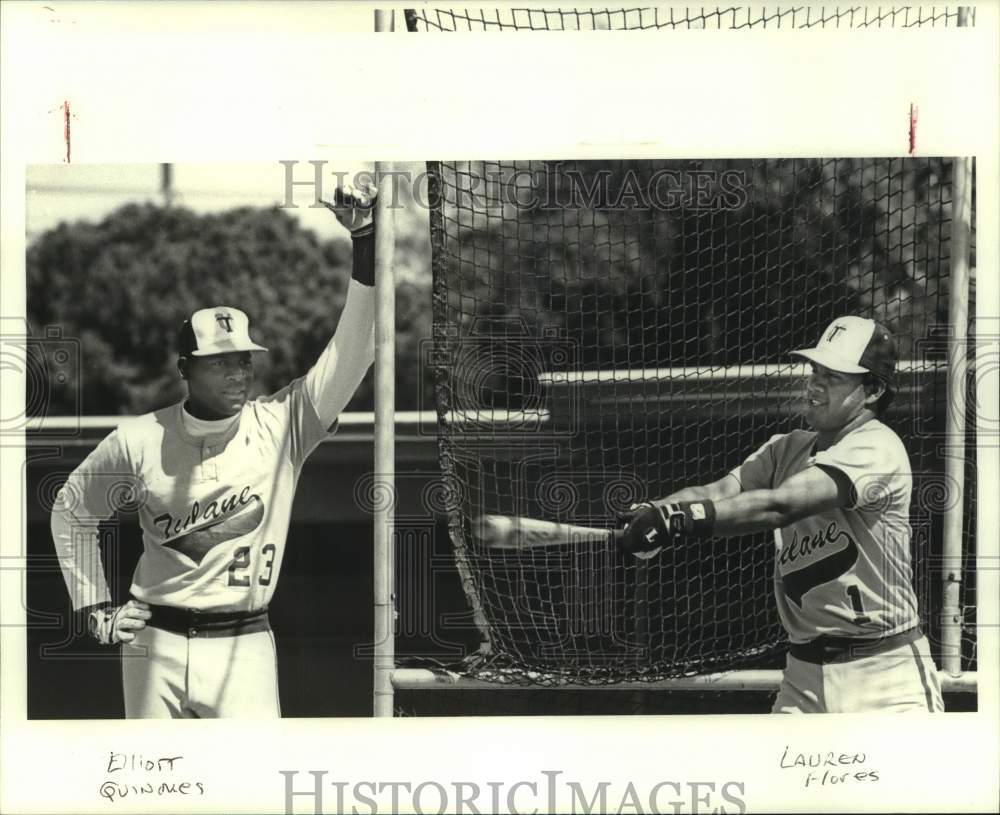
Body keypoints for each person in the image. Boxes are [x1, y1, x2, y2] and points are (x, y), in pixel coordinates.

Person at [51, 184, 378, 718]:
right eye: (220, 361)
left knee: (252, 791)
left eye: (244, 359)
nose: (238, 371)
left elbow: (354, 352)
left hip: (242, 642)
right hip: (152, 637)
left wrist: (363, 240)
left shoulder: (283, 424)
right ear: (185, 369)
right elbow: (71, 510)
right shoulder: (139, 438)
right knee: (155, 796)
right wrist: (94, 607)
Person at [619, 316, 944, 713]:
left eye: (834, 377)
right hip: (804, 676)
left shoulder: (877, 447)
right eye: (815, 371)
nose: (815, 386)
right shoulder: (786, 448)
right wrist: (656, 511)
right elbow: (716, 493)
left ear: (873, 389)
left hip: (885, 676)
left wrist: (678, 522)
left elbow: (781, 505)